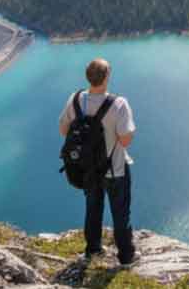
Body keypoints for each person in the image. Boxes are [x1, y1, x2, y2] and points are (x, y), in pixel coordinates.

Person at [58, 58, 138, 263]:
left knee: (93, 208)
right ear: (107, 77)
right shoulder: (118, 104)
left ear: (88, 77)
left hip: (89, 169)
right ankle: (126, 257)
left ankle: (93, 250)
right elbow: (125, 140)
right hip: (115, 169)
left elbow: (64, 130)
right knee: (120, 213)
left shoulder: (75, 99)